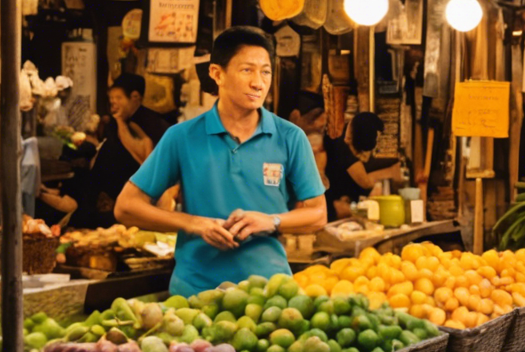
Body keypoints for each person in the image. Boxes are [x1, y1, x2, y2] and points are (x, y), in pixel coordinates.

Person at [117, 27, 328, 296]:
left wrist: (271, 221)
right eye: (247, 70)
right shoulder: (182, 137)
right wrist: (192, 223)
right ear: (217, 74)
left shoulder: (290, 137)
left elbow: (318, 214)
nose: (258, 82)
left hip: (270, 295)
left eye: (265, 71)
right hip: (195, 294)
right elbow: (126, 206)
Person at [74, 73, 170, 229]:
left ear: (135, 97)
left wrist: (120, 123)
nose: (113, 102)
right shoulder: (120, 118)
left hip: (126, 199)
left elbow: (145, 158)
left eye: (118, 98)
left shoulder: (150, 123)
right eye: (111, 98)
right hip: (105, 196)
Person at [324, 111, 405, 218]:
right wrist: (390, 172)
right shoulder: (339, 143)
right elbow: (365, 182)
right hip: (331, 208)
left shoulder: (349, 140)